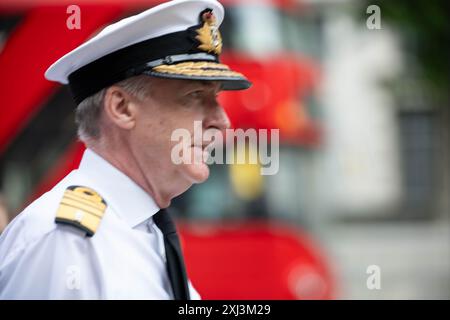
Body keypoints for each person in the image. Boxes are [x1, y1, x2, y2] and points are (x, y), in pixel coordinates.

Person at [0, 0, 250, 299]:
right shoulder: (64, 241)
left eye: (216, 99)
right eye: (195, 95)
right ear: (121, 108)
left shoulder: (146, 232)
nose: (222, 121)